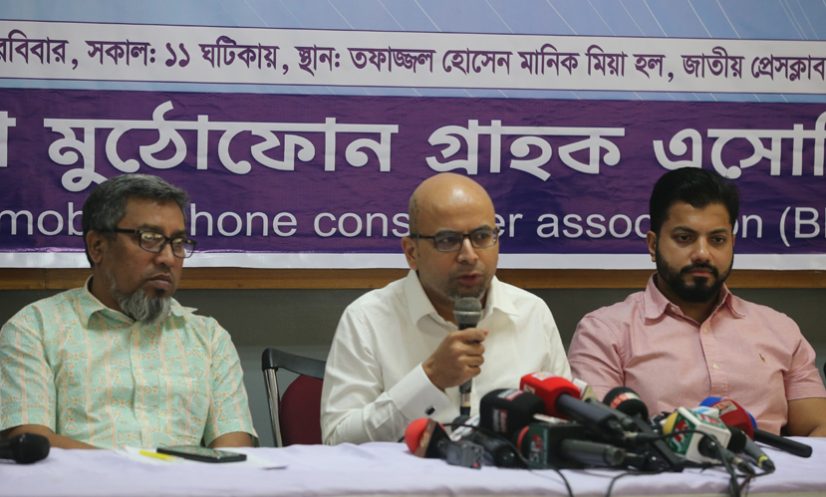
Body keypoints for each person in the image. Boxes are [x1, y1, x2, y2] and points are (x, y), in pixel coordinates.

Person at [0, 174, 256, 449]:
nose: (168, 258)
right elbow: (31, 444)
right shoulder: (35, 328)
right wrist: (140, 469)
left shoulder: (208, 338)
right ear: (97, 246)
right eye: (150, 238)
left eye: (178, 242)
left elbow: (233, 451)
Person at [568, 168, 826, 436]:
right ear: (653, 245)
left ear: (732, 243)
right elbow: (600, 436)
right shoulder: (604, 333)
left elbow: (819, 428)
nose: (703, 253)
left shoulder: (780, 330)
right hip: (657, 463)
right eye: (684, 238)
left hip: (770, 463)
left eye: (717, 240)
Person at [321, 172, 571, 445]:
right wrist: (429, 378)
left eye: (482, 236)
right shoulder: (367, 318)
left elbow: (565, 424)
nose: (469, 255)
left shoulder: (531, 313)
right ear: (412, 252)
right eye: (448, 240)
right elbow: (337, 440)